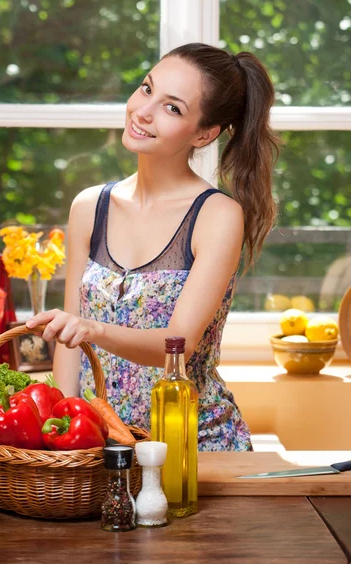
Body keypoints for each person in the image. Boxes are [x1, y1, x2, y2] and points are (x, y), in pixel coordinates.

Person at [26, 43, 280, 451]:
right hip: (103, 449)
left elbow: (180, 344)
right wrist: (66, 435)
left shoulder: (216, 215)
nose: (142, 111)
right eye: (147, 89)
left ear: (205, 133)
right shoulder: (90, 207)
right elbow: (69, 342)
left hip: (193, 450)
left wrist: (93, 329)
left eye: (172, 107)